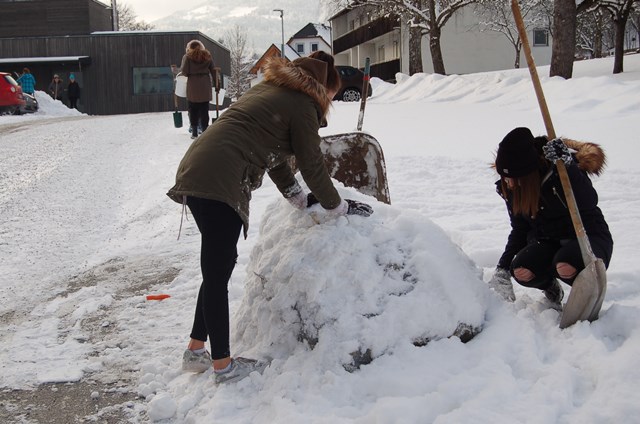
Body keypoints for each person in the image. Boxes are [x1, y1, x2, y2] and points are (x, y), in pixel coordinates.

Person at [167, 51, 374, 384]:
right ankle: (223, 366)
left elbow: (274, 156)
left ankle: (195, 349)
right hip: (221, 176)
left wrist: (296, 196)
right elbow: (311, 163)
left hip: (199, 167)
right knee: (218, 273)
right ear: (324, 88)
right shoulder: (304, 104)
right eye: (332, 96)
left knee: (217, 266)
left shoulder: (269, 90)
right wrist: (337, 205)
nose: (330, 102)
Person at [488, 127, 613, 304]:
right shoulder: (512, 189)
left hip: (587, 237)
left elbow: (589, 201)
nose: (507, 183)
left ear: (527, 174)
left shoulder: (559, 171)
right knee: (521, 270)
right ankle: (551, 287)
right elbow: (520, 230)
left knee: (565, 265)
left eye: (512, 178)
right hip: (548, 242)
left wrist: (569, 167)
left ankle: (586, 297)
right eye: (504, 177)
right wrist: (503, 269)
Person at [179, 40, 215, 139]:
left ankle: (194, 132)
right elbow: (213, 71)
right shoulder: (207, 56)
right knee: (204, 110)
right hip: (205, 85)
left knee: (193, 109)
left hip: (193, 86)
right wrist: (217, 84)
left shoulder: (187, 57)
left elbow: (184, 72)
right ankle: (204, 130)